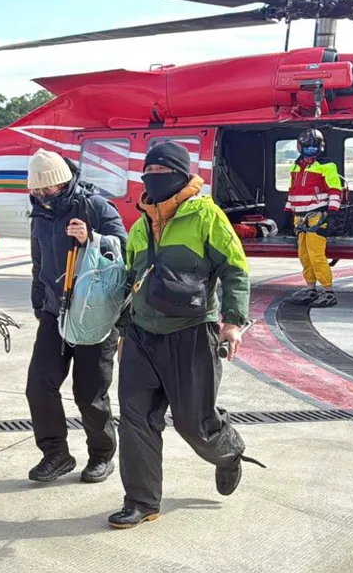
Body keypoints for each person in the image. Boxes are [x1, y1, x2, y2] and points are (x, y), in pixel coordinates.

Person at [108, 141, 264, 529]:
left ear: (182, 175)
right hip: (143, 335)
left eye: (163, 174)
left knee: (194, 423)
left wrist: (232, 321)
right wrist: (124, 331)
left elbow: (234, 268)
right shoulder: (140, 224)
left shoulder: (206, 216)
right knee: (135, 418)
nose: (154, 180)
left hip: (191, 332)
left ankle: (228, 452)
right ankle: (141, 501)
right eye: (149, 174)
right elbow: (133, 282)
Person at [24, 148, 128, 484]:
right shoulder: (39, 213)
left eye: (48, 189)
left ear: (63, 182)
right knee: (39, 385)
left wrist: (92, 239)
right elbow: (39, 263)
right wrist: (40, 304)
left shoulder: (95, 206)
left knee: (89, 392)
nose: (42, 196)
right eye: (37, 191)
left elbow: (123, 249)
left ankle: (101, 455)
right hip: (56, 312)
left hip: (93, 313)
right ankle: (55, 454)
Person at [284, 128, 344, 308]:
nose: (310, 153)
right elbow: (292, 191)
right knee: (304, 256)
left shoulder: (327, 166)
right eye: (307, 149)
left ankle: (328, 292)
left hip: (317, 216)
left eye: (313, 149)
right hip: (299, 218)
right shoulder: (295, 167)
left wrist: (332, 212)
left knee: (317, 255)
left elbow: (335, 190)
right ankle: (311, 289)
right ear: (300, 148)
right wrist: (288, 212)